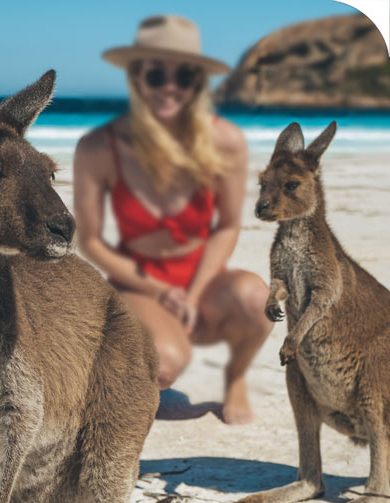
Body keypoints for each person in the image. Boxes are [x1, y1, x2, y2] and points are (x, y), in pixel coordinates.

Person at [73, 15, 273, 424]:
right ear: (136, 76)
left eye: (183, 76)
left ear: (197, 82)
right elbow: (90, 240)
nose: (169, 86)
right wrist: (159, 290)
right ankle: (131, 378)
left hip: (204, 276)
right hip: (137, 281)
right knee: (164, 364)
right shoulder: (98, 147)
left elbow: (227, 226)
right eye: (156, 75)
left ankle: (236, 378)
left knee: (259, 302)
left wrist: (194, 295)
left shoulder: (225, 141)